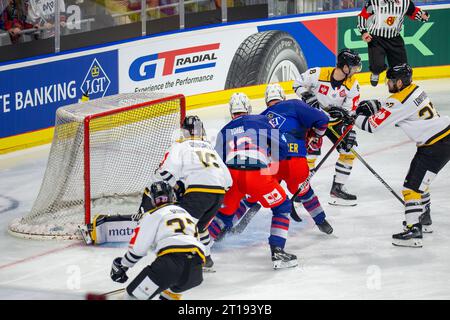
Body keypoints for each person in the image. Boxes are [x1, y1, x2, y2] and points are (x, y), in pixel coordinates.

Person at [353, 63, 450, 247]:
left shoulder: (398, 101)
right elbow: (396, 105)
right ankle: (424, 217)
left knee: (411, 188)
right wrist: (376, 104)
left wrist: (353, 117)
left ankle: (414, 231)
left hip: (434, 146)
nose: (387, 84)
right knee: (421, 183)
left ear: (398, 82)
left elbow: (372, 126)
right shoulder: (416, 89)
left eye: (389, 81)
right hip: (442, 140)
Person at [210, 92, 297, 269]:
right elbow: (282, 149)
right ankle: (278, 251)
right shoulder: (261, 121)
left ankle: (198, 252)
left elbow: (217, 160)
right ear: (248, 109)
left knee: (222, 215)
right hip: (258, 174)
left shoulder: (224, 130)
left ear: (231, 112)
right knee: (282, 207)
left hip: (232, 176)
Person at [155, 115, 232, 271]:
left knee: (181, 228)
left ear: (184, 131)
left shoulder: (181, 146)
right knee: (200, 228)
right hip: (218, 195)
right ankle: (207, 259)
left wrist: (177, 187)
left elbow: (163, 172)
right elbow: (229, 182)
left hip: (199, 193)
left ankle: (175, 266)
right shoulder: (209, 147)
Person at [110, 181, 205, 300]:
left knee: (132, 297)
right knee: (169, 293)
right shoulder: (186, 214)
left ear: (153, 201)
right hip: (196, 270)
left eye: (162, 199)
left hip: (170, 265)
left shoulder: (153, 214)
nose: (161, 202)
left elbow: (138, 249)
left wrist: (123, 265)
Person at [293, 49, 362, 206]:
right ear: (344, 67)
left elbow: (350, 112)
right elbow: (297, 84)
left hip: (336, 122)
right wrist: (307, 95)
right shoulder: (317, 73)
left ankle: (337, 188)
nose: (356, 71)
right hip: (313, 121)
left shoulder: (353, 84)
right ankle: (302, 190)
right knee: (310, 155)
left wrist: (344, 117)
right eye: (353, 67)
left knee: (348, 151)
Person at [262, 83, 334, 234]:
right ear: (283, 97)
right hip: (296, 161)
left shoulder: (261, 116)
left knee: (256, 190)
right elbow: (323, 120)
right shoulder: (294, 104)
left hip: (271, 163)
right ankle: (321, 221)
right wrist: (316, 136)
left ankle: (231, 223)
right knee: (304, 191)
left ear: (266, 101)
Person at [357, 0, 429, 87]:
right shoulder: (375, 2)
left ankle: (400, 89)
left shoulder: (405, 3)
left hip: (395, 38)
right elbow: (363, 16)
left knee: (402, 68)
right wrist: (364, 32)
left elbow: (413, 12)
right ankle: (375, 72)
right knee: (377, 66)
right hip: (376, 39)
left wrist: (423, 16)